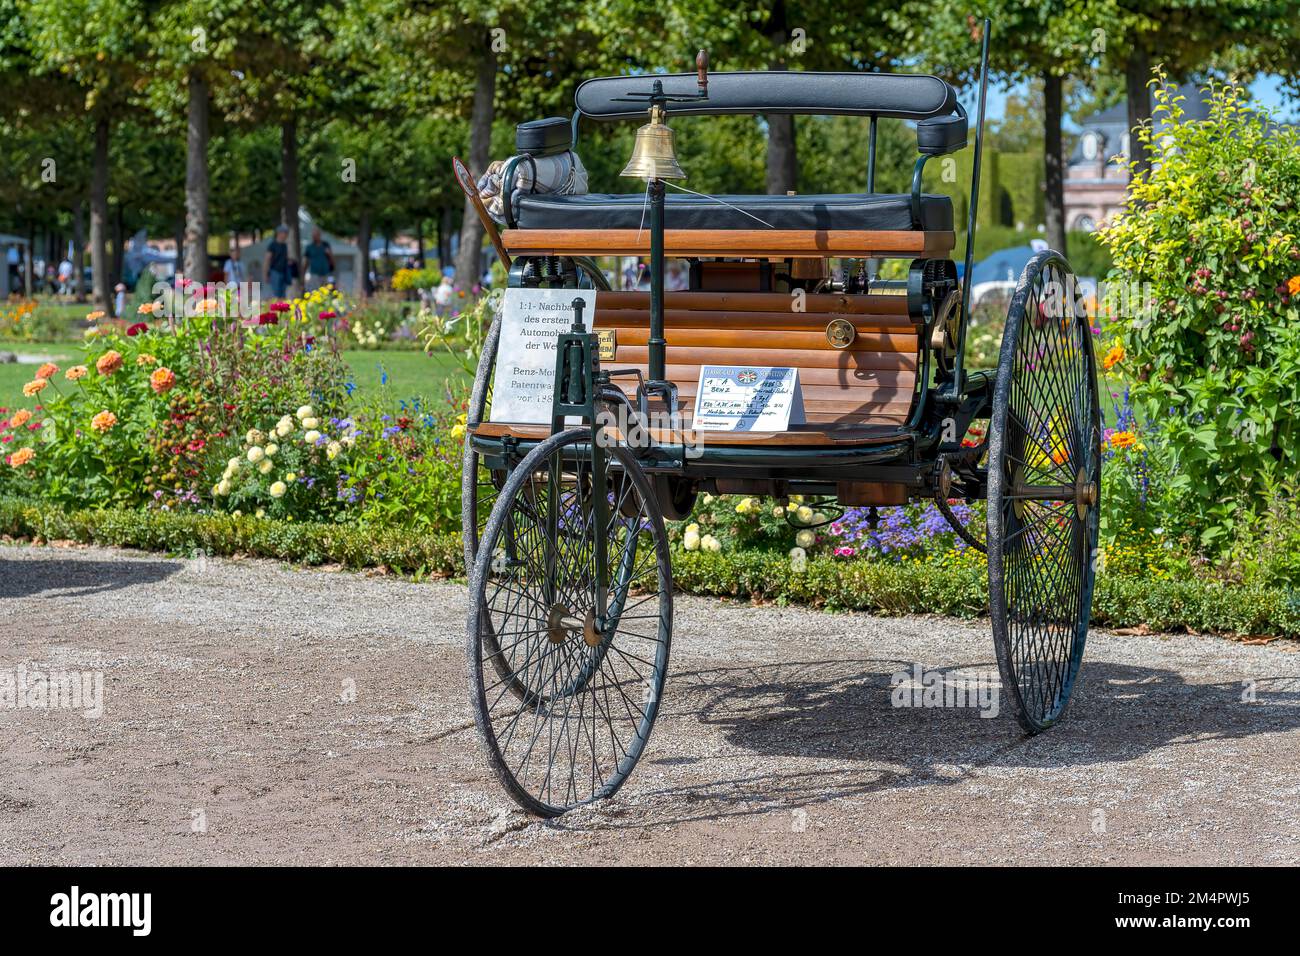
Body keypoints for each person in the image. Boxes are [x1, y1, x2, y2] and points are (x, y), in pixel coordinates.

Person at [263, 226, 290, 297]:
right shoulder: (272, 245)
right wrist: (265, 274)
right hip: (275, 272)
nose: (286, 235)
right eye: (285, 233)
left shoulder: (284, 245)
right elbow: (267, 260)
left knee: (283, 295)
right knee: (275, 294)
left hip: (284, 273)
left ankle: (281, 308)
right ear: (279, 233)